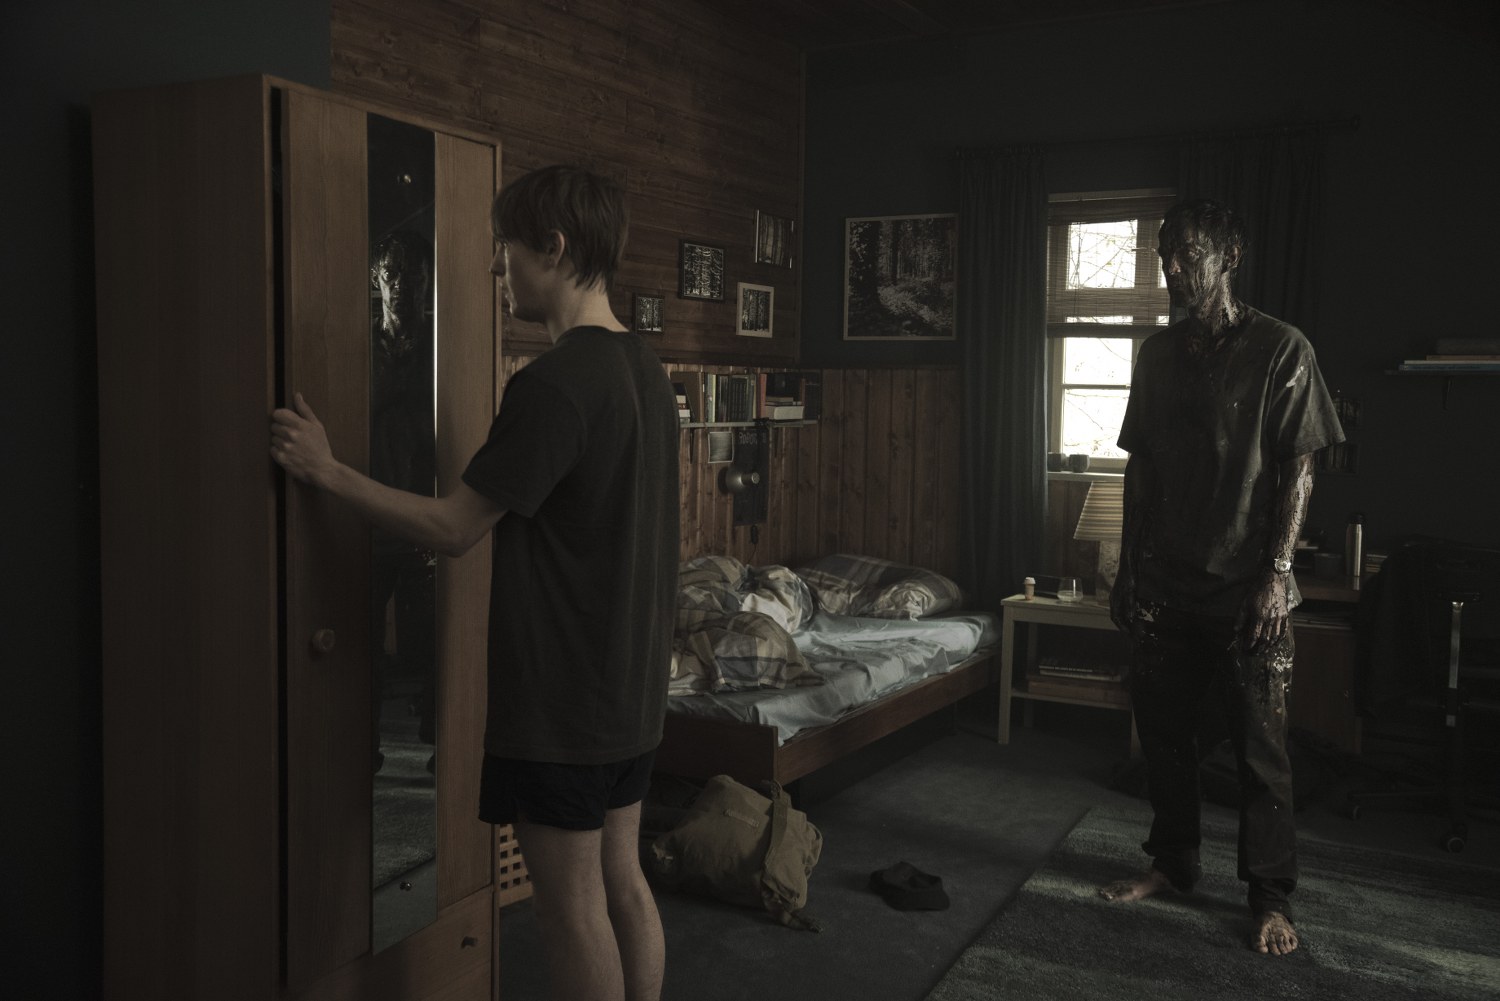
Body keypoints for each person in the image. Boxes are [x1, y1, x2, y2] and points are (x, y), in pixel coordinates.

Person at [271, 164, 679, 1001]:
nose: (499, 267)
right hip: (632, 697)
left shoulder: (554, 385)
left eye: (507, 248)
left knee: (570, 909)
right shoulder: (647, 369)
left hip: (564, 708)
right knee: (623, 882)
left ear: (553, 248)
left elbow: (454, 528)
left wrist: (327, 470)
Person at [1097, 198, 1344, 957]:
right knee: (1165, 737)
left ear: (1230, 257)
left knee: (1260, 751)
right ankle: (1173, 862)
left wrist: (1277, 573)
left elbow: (1300, 470)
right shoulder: (1156, 355)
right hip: (1165, 582)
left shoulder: (1281, 349)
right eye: (1164, 255)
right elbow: (1140, 470)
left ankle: (1269, 897)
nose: (1172, 268)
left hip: (1248, 589)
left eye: (1189, 254)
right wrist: (1127, 567)